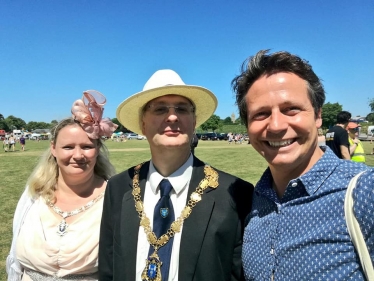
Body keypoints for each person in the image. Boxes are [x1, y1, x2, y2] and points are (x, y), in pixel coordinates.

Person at [99, 69, 254, 281]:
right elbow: (109, 269)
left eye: (182, 109)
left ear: (194, 122)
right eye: (160, 109)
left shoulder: (234, 192)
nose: (172, 116)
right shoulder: (119, 187)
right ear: (143, 124)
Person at [232, 50, 373, 280]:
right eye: (261, 114)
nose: (276, 125)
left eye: (291, 109)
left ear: (318, 116)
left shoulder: (363, 192)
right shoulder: (253, 201)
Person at [6, 90, 118, 281]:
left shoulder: (113, 198)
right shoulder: (33, 196)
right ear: (53, 149)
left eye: (87, 146)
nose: (78, 155)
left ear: (98, 149)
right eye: (68, 147)